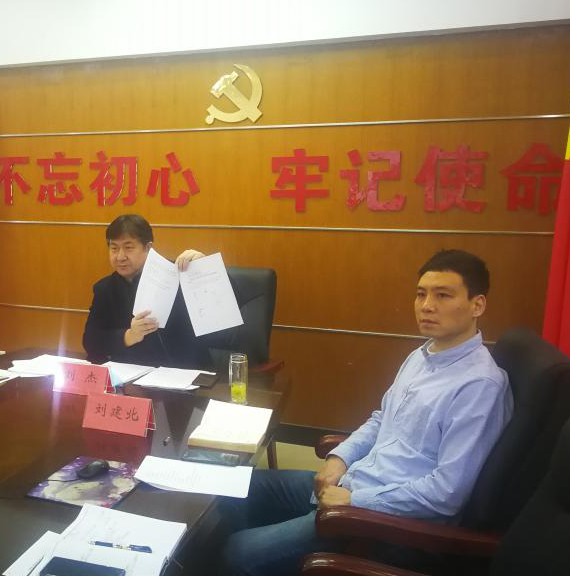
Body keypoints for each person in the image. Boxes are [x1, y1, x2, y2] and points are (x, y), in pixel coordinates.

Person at [221, 249, 513, 575]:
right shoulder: (423, 355)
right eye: (421, 294)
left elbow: (447, 494)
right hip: (356, 482)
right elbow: (381, 419)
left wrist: (355, 502)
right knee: (230, 488)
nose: (427, 305)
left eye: (443, 295)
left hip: (387, 524)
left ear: (477, 305)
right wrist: (339, 459)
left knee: (237, 552)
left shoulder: (479, 386)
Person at [82, 214, 232, 369]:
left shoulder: (179, 274)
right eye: (114, 248)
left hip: (185, 371)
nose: (120, 257)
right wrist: (129, 336)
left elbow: (226, 314)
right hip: (131, 373)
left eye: (128, 248)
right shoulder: (104, 288)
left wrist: (204, 271)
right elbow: (90, 342)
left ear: (148, 248)